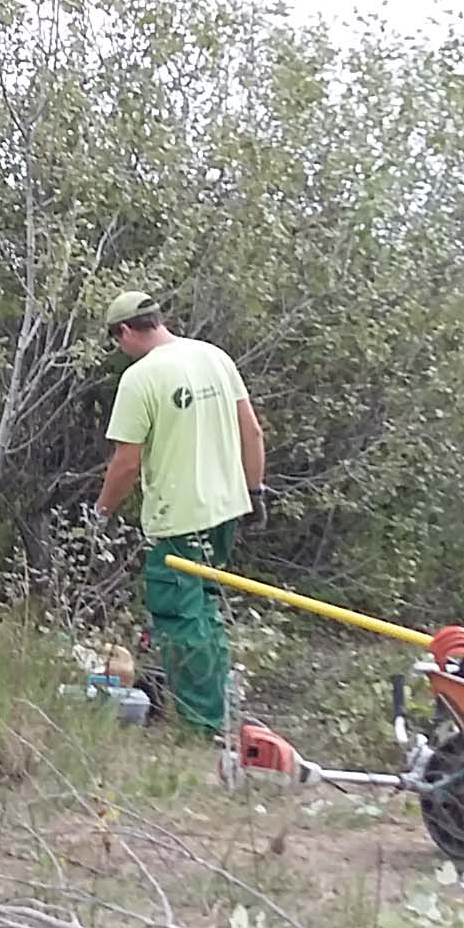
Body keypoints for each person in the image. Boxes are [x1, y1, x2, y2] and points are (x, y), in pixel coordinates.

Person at [91, 289, 266, 741]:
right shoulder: (214, 357)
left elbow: (126, 462)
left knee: (180, 619)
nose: (119, 348)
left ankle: (202, 725)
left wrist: (101, 513)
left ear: (127, 331)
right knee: (205, 611)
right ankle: (216, 710)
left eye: (116, 339)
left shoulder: (141, 377)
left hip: (181, 517)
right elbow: (252, 430)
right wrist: (254, 490)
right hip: (226, 510)